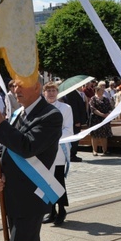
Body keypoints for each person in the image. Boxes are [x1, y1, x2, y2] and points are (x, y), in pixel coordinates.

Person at [0, 78, 62, 241]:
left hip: (31, 198)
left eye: (21, 85)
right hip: (12, 196)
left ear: (37, 87)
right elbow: (3, 150)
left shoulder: (50, 115)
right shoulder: (17, 114)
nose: (15, 89)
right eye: (13, 86)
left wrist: (1, 124)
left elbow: (28, 147)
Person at [43, 81, 73, 225]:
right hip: (43, 151)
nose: (51, 93)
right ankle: (51, 211)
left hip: (59, 150)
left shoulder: (65, 108)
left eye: (53, 90)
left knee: (58, 181)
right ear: (44, 93)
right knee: (47, 182)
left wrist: (53, 139)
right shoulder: (41, 108)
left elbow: (68, 129)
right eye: (48, 90)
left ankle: (61, 210)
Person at [88, 82, 113, 156]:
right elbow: (93, 108)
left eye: (103, 91)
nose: (102, 92)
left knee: (104, 135)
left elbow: (110, 107)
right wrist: (101, 114)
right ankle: (94, 150)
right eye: (101, 91)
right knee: (95, 135)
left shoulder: (105, 99)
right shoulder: (93, 99)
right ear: (97, 91)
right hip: (96, 119)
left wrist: (108, 114)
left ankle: (105, 150)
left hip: (105, 119)